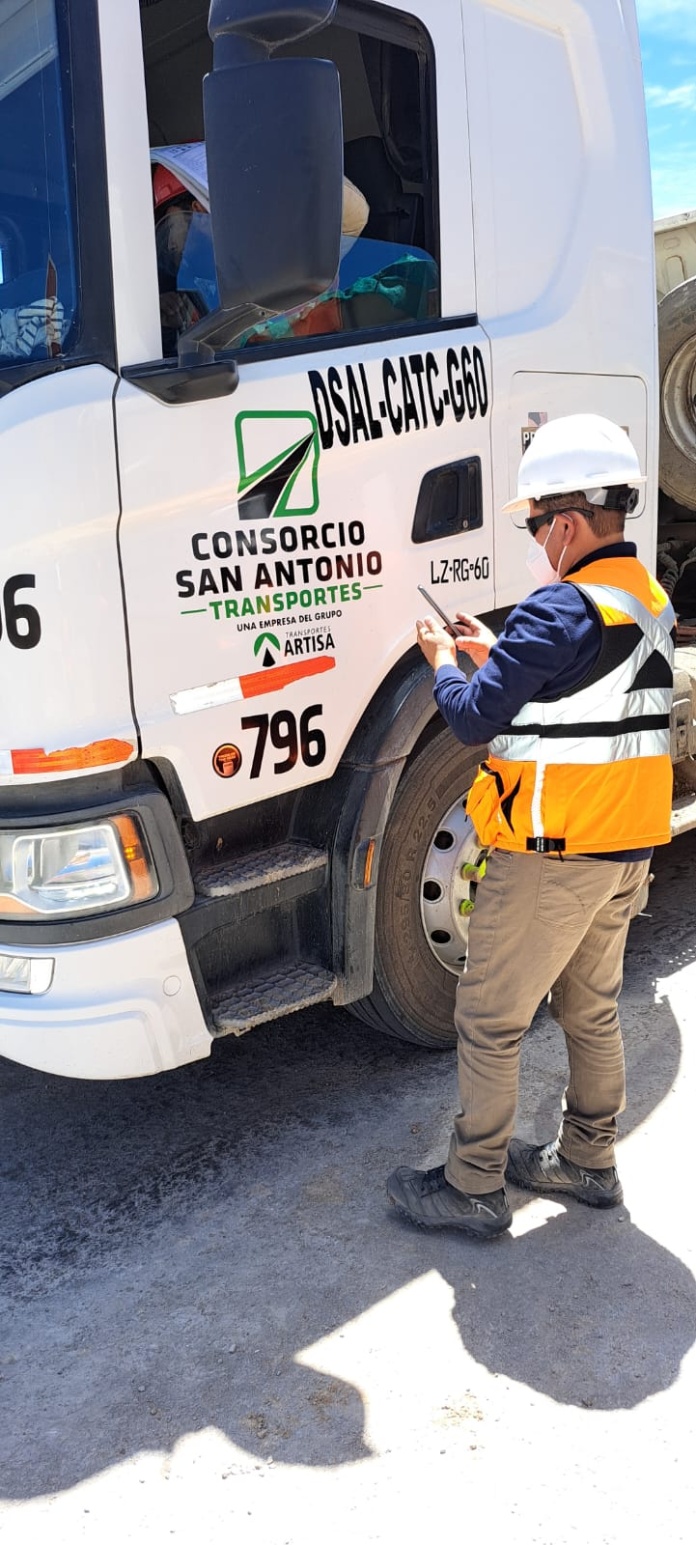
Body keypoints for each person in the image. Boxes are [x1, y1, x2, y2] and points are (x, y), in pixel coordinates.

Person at [387, 414, 675, 1240]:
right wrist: (498, 648)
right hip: (623, 849)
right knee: (591, 1009)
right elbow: (575, 685)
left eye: (535, 523)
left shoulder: (557, 608)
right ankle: (588, 1159)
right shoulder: (642, 598)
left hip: (551, 854)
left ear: (571, 523)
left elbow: (476, 721)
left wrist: (444, 658)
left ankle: (473, 1181)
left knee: (489, 1016)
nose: (534, 539)